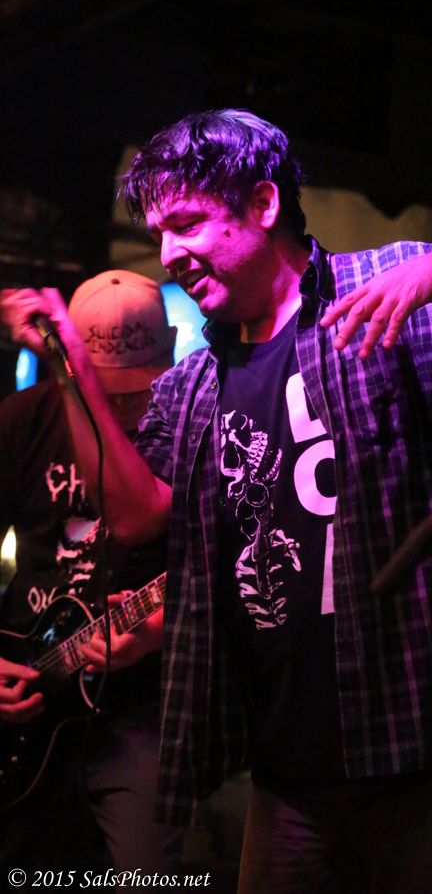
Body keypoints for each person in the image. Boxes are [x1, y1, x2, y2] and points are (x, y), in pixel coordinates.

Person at [0, 109, 432, 894]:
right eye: (159, 234)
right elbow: (137, 517)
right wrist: (68, 365)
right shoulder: (194, 386)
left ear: (264, 204)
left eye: (187, 223)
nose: (168, 254)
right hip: (289, 767)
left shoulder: (396, 281)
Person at [0, 270, 183, 876]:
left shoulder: (195, 429)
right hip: (27, 679)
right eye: (107, 391)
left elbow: (229, 576)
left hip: (140, 708)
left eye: (139, 389)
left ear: (172, 353)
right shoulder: (23, 420)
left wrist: (160, 630)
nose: (125, 407)